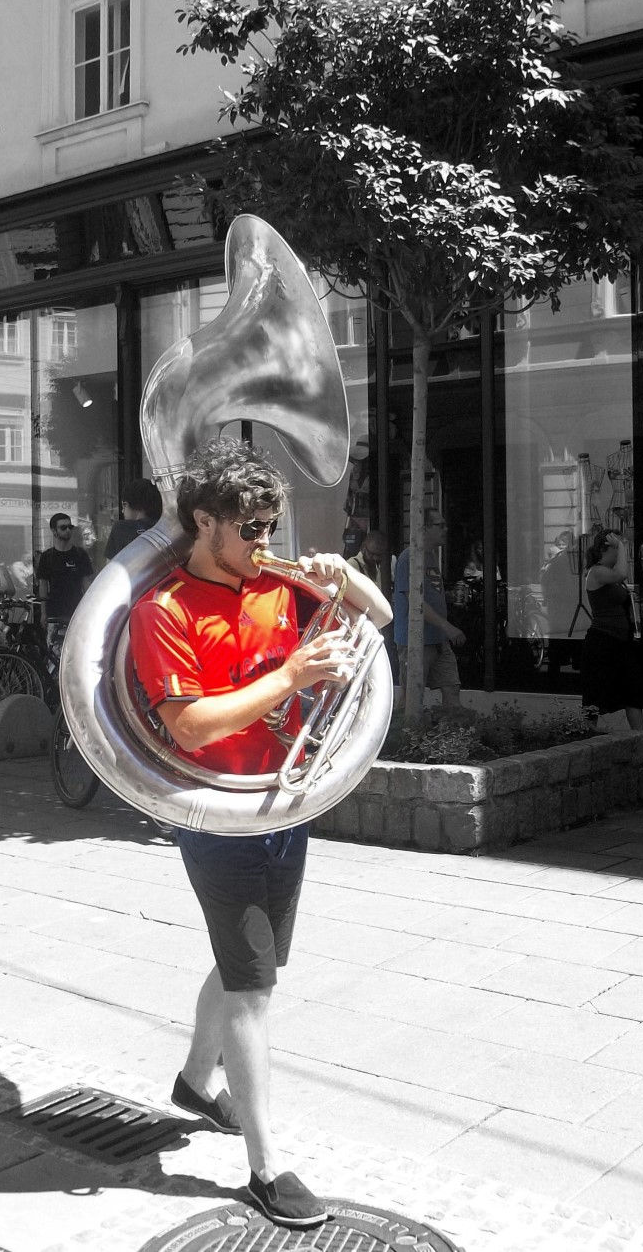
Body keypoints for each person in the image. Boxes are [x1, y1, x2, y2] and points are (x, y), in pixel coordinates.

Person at [128, 437, 391, 1229]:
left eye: (271, 526)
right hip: (216, 812)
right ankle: (266, 1166)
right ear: (204, 521)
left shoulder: (276, 583)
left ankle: (193, 1080)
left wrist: (345, 579)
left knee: (254, 960)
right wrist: (290, 676)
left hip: (282, 805)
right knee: (253, 984)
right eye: (249, 529)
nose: (264, 543)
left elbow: (378, 617)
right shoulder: (163, 610)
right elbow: (192, 724)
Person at [393, 508, 466, 711]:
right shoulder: (409, 558)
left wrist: (447, 596)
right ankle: (403, 729)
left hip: (439, 639)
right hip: (416, 640)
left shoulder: (431, 556)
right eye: (440, 525)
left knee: (452, 689)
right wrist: (448, 627)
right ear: (424, 528)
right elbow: (415, 602)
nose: (445, 529)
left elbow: (427, 591)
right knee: (411, 698)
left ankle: (453, 730)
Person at [581, 529, 643, 730]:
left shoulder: (613, 577)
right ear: (607, 549)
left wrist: (634, 604)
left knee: (632, 690)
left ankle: (639, 737)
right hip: (602, 641)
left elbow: (620, 589)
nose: (622, 555)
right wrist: (621, 545)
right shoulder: (596, 571)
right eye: (618, 550)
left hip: (621, 641)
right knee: (594, 695)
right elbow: (621, 572)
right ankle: (586, 738)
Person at [36, 513, 94, 635]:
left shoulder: (80, 554)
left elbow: (86, 584)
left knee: (76, 645)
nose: (68, 530)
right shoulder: (47, 556)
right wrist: (43, 613)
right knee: (54, 646)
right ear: (54, 531)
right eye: (63, 527)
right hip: (54, 612)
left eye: (70, 527)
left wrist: (89, 609)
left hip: (76, 611)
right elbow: (43, 585)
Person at [105, 477, 163, 561]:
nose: (122, 511)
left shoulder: (121, 528)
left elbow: (110, 566)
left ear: (126, 504)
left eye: (123, 507)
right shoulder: (166, 528)